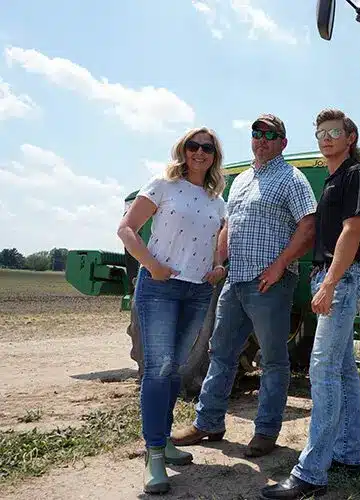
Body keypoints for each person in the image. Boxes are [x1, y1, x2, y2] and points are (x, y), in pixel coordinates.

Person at [171, 114, 317, 459]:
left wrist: (279, 267)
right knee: (220, 353)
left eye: (270, 135)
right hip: (235, 281)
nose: (262, 140)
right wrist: (220, 262)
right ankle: (208, 422)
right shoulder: (240, 181)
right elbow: (228, 225)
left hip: (270, 284)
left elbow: (308, 226)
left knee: (273, 360)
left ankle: (266, 431)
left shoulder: (292, 178)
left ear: (283, 142)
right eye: (256, 134)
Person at [261, 109, 360, 499]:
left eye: (334, 132)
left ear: (350, 137)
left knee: (321, 368)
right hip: (334, 278)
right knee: (342, 370)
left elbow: (353, 229)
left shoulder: (355, 175)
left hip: (342, 278)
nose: (326, 138)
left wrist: (329, 282)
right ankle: (347, 454)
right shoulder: (331, 180)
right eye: (321, 133)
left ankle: (311, 473)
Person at [117, 127, 228, 494]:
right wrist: (152, 266)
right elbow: (127, 229)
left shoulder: (216, 198)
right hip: (161, 288)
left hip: (198, 292)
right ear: (183, 150)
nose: (199, 152)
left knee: (176, 369)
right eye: (193, 146)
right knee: (159, 367)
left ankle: (164, 441)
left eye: (207, 148)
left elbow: (215, 240)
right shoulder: (162, 184)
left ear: (214, 155)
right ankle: (153, 455)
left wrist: (217, 266)